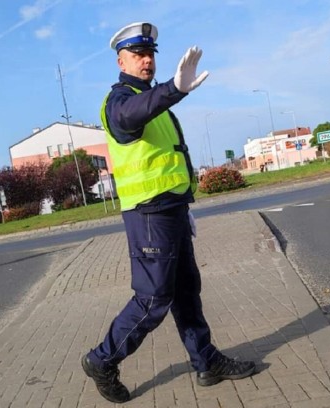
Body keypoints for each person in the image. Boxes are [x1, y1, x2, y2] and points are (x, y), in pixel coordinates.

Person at [81, 22, 256, 403]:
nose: (146, 60)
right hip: (148, 215)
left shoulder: (150, 99)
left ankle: (206, 362)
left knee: (186, 292)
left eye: (150, 54)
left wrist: (183, 204)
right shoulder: (121, 101)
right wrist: (174, 89)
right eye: (138, 54)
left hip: (171, 209)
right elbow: (131, 117)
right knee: (153, 299)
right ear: (120, 60)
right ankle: (101, 359)